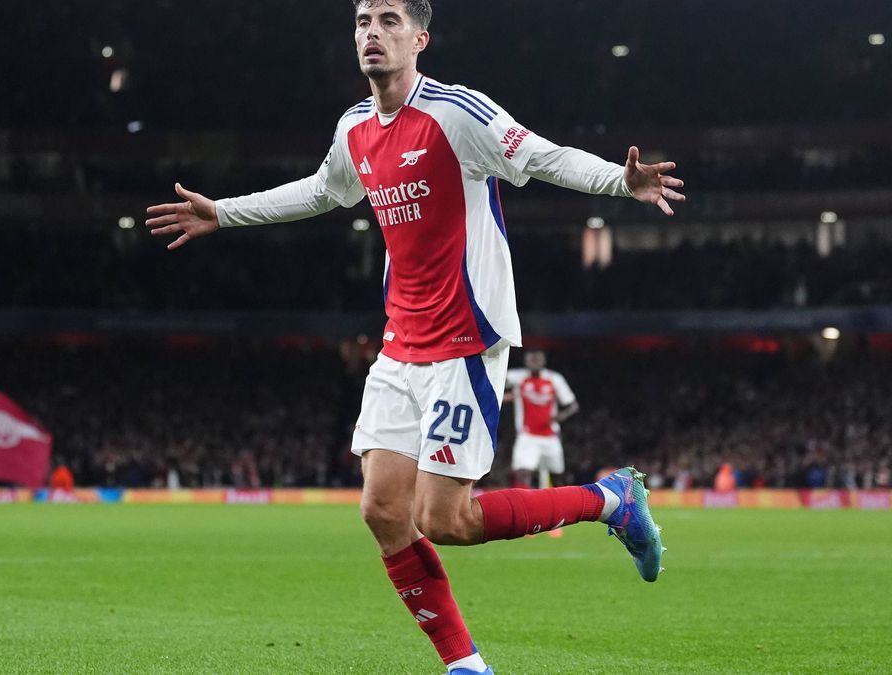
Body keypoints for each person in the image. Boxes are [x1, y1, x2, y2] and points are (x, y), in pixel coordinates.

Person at [146, 1, 678, 672]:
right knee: (381, 508)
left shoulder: (458, 114)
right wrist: (223, 212)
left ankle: (611, 499)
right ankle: (465, 664)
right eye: (363, 20)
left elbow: (544, 156)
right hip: (400, 343)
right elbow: (320, 191)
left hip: (465, 338)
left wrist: (619, 181)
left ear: (420, 38)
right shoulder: (355, 128)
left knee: (446, 518)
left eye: (390, 19)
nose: (373, 31)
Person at [504, 350, 579, 489]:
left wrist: (561, 416)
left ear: (543, 361)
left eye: (537, 360)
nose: (534, 363)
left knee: (557, 475)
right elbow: (497, 379)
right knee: (523, 471)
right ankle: (526, 504)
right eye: (531, 360)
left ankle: (560, 506)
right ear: (525, 362)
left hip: (550, 436)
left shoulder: (554, 378)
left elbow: (572, 405)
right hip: (527, 436)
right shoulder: (518, 377)